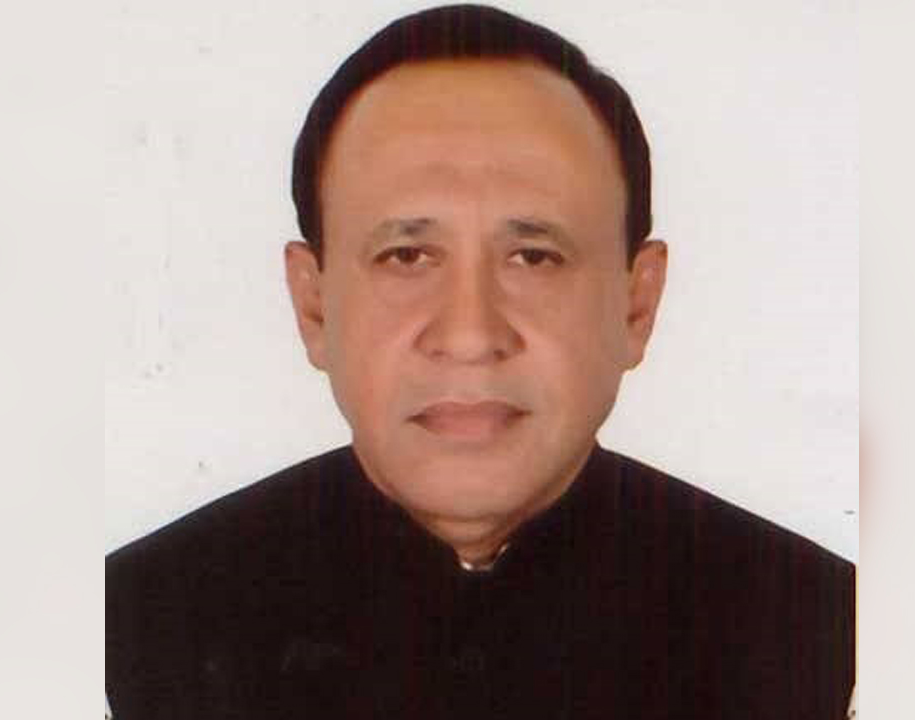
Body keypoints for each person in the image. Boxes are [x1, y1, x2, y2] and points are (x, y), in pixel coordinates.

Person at [105, 5, 855, 719]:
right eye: (406, 256)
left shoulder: (830, 640)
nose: (470, 336)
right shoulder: (123, 636)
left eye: (535, 256)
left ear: (638, 303)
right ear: (314, 306)